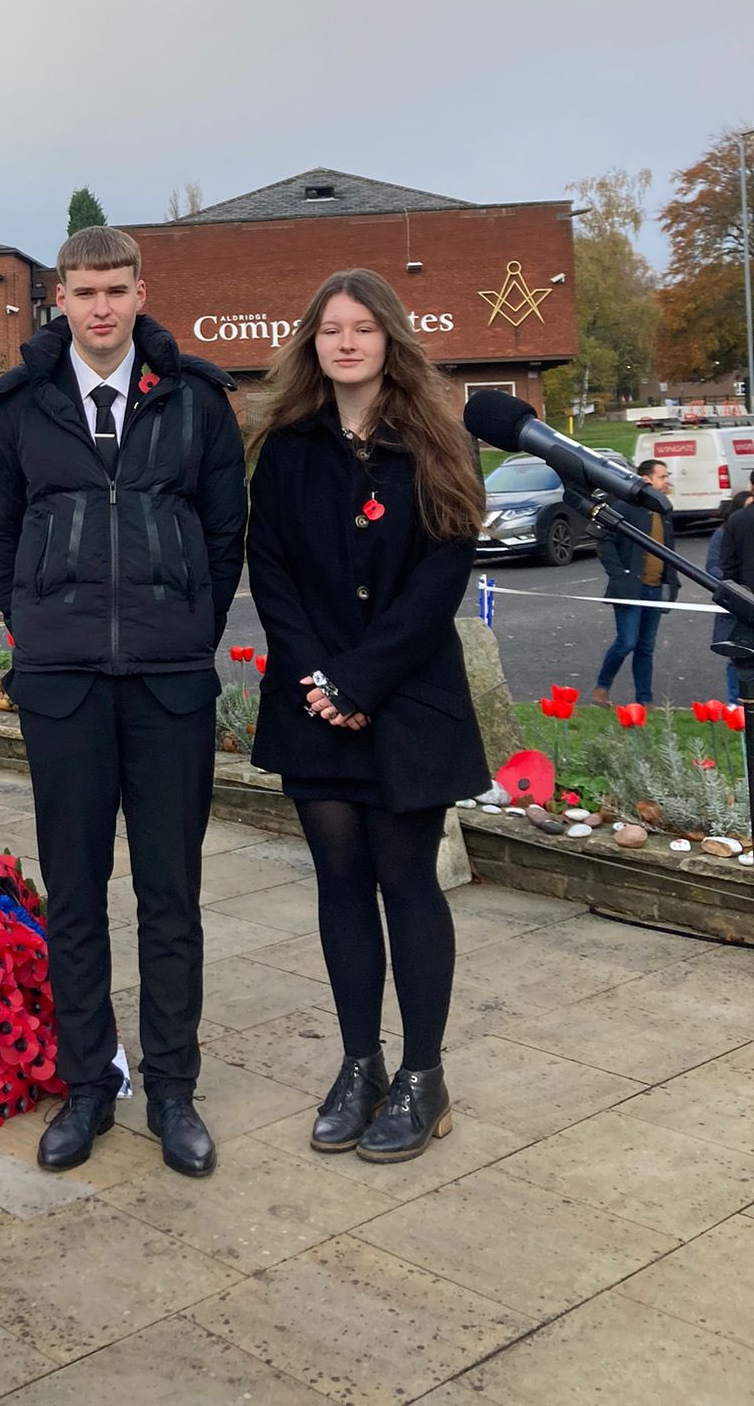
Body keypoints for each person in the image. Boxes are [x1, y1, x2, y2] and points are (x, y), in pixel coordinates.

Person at [0, 226, 247, 1178]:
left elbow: (222, 537)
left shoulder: (197, 401)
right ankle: (88, 1084)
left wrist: (180, 637)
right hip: (64, 686)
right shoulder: (17, 408)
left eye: (115, 291)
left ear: (141, 293)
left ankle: (173, 1087)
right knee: (77, 895)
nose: (100, 308)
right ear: (59, 299)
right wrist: (48, 631)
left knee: (172, 897)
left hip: (169, 685)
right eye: (82, 292)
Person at [245, 268, 488, 1163]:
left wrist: (361, 680)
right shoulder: (287, 445)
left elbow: (441, 574)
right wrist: (319, 678)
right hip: (312, 701)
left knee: (406, 879)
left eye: (362, 328)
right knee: (339, 882)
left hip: (408, 700)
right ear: (312, 343)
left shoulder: (436, 441)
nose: (345, 342)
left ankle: (424, 1077)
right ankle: (360, 1064)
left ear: (391, 338)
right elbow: (268, 566)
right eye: (329, 330)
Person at [588, 460, 679, 707]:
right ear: (647, 479)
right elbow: (605, 542)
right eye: (662, 476)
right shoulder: (624, 507)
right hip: (631, 588)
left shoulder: (663, 510)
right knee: (627, 641)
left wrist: (672, 581)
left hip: (655, 587)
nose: (667, 480)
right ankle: (601, 688)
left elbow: (668, 548)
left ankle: (644, 700)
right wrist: (620, 574)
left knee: (646, 646)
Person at [707, 492, 752, 706]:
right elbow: (717, 566)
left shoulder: (740, 525)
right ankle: (736, 702)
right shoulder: (724, 532)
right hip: (739, 604)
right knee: (738, 653)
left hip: (743, 599)